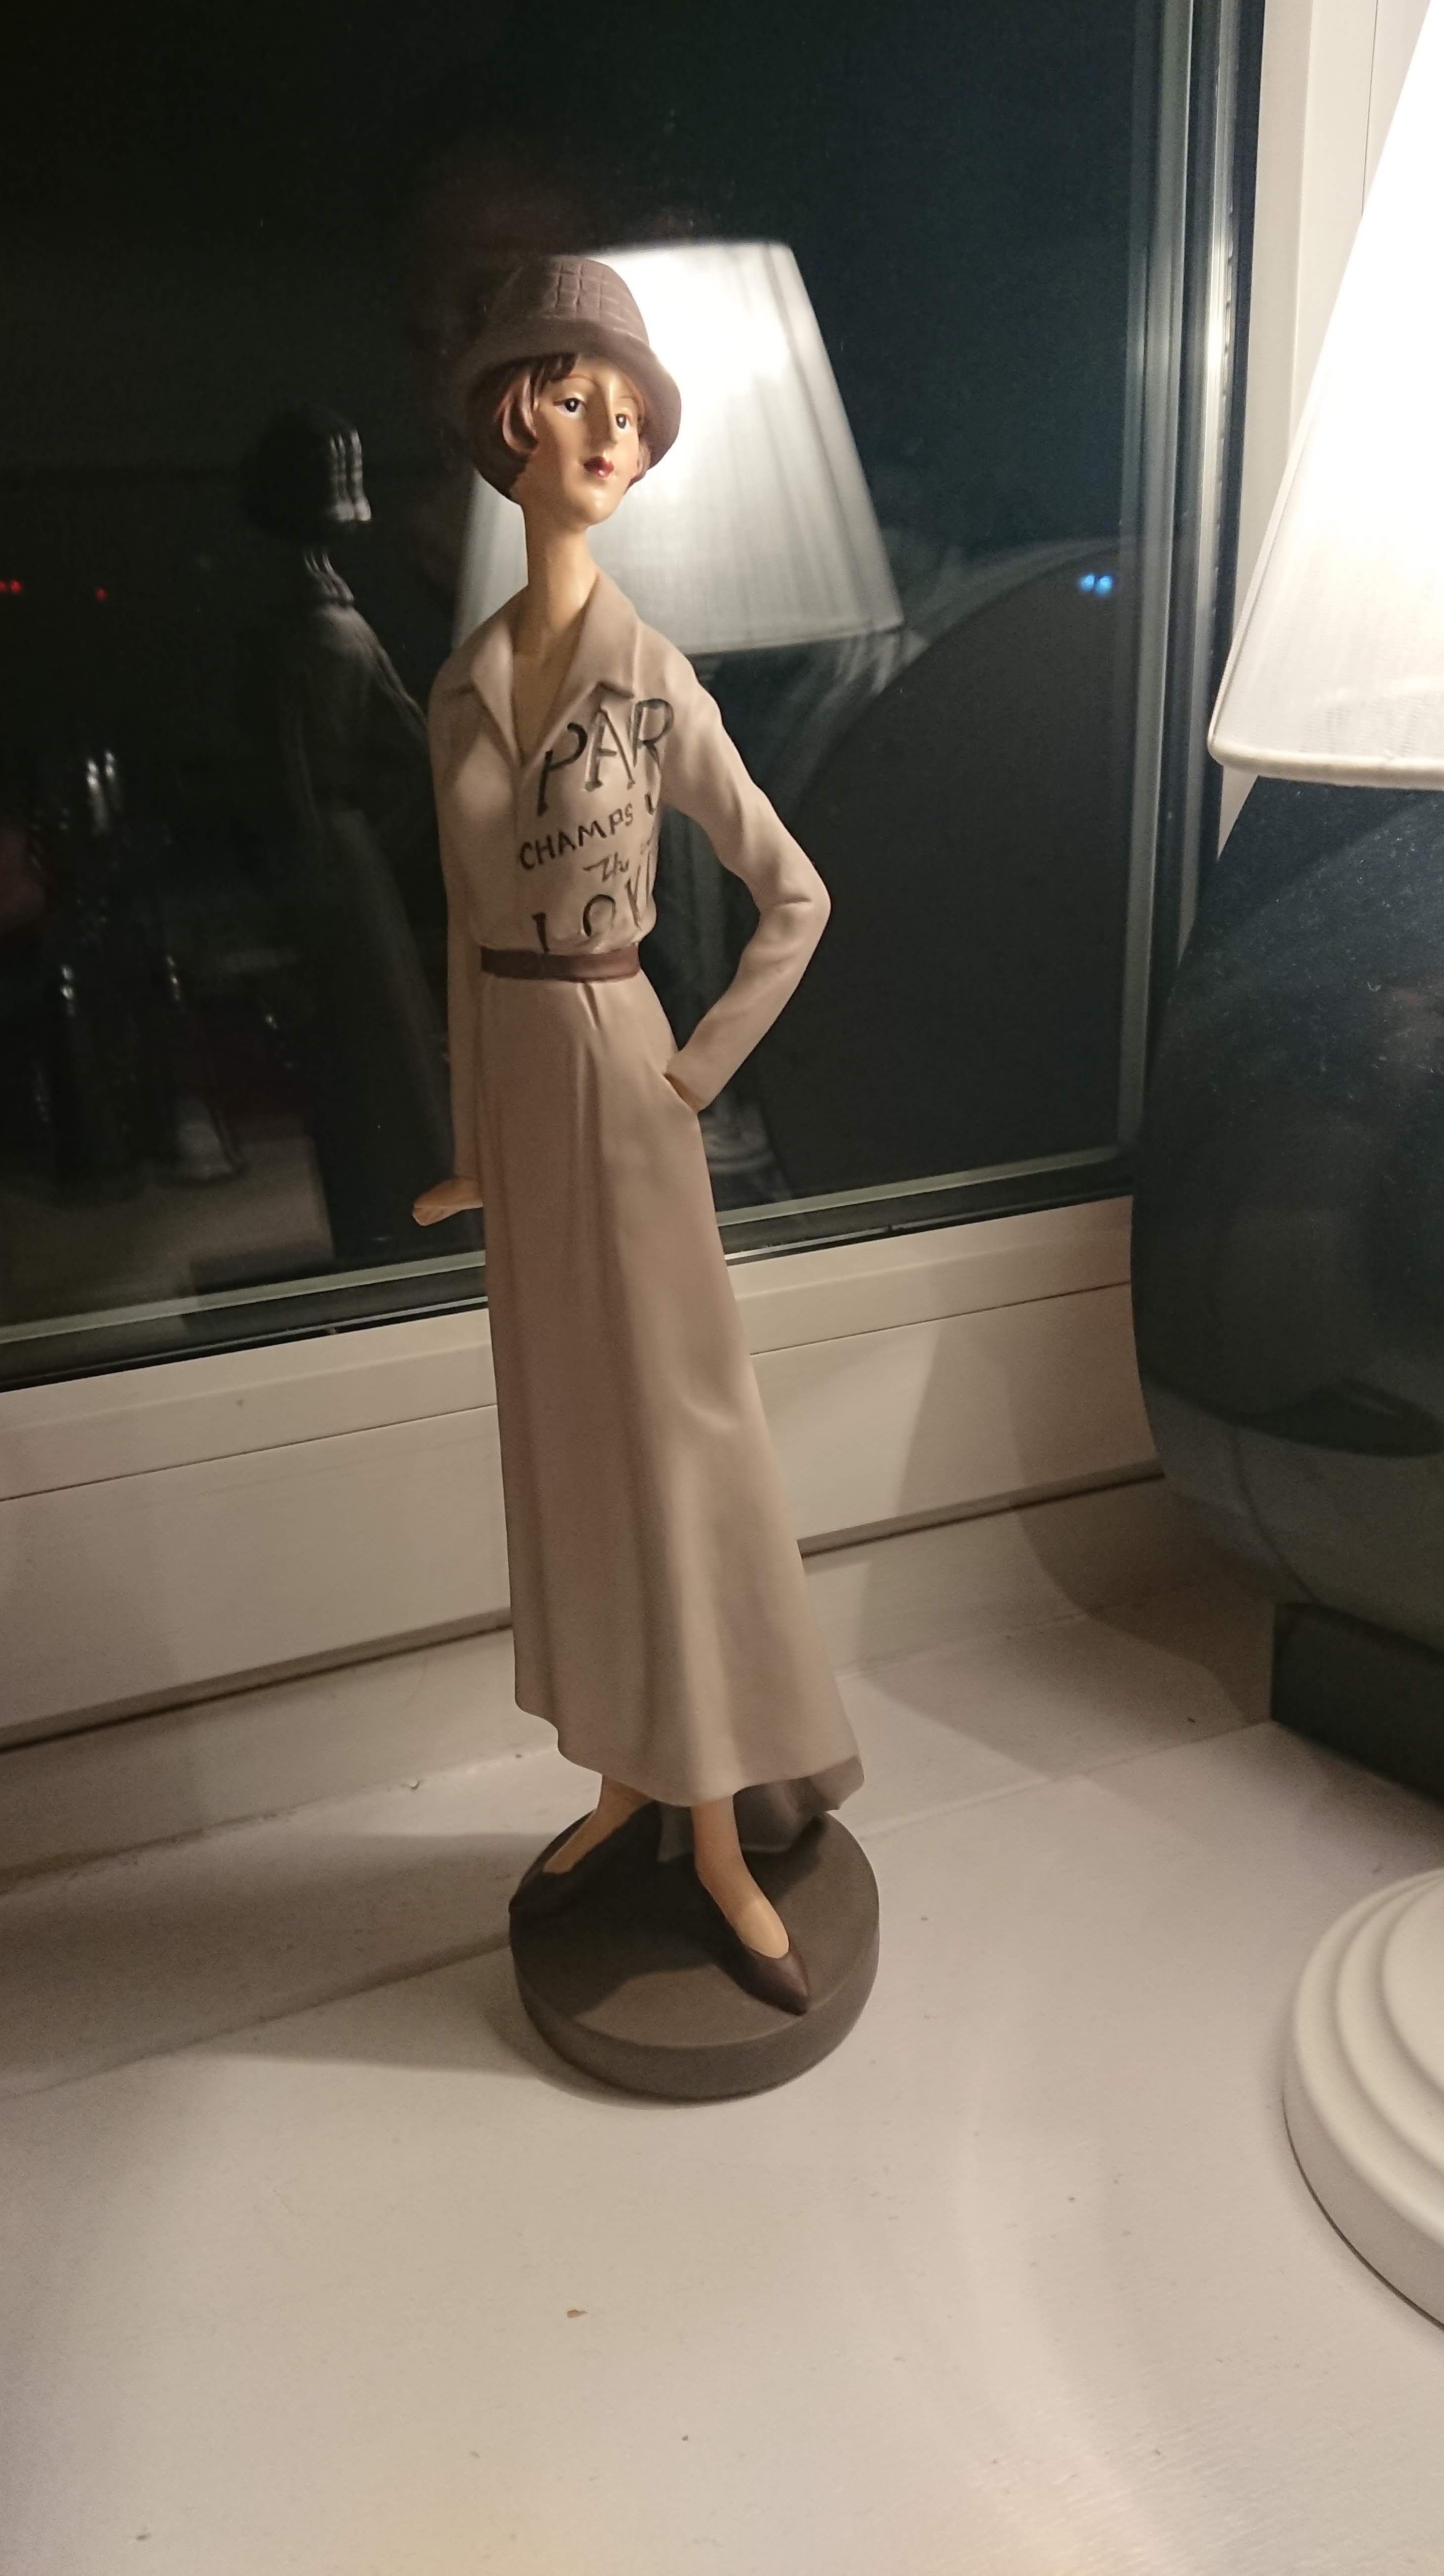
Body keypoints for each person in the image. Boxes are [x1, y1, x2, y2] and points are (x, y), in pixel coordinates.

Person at [413, 258, 860, 2014]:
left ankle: (725, 1823)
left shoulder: (651, 676)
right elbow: (467, 942)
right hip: (526, 1105)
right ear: (514, 419)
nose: (613, 435)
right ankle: (622, 1776)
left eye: (634, 414)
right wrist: (473, 1139)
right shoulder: (461, 688)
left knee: (678, 1458)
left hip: (620, 1070)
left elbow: (794, 894)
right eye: (579, 400)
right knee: (568, 1454)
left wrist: (691, 1075)